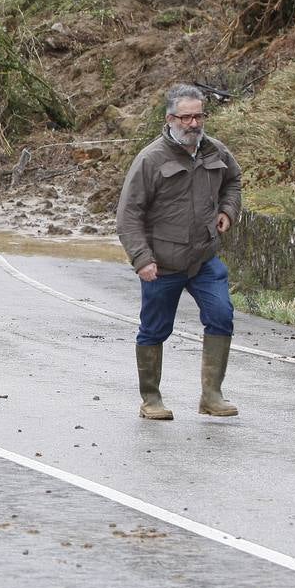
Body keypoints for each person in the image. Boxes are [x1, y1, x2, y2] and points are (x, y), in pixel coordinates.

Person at [116, 83, 243, 421]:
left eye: (199, 116)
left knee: (221, 315)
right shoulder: (150, 159)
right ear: (170, 118)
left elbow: (233, 181)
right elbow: (128, 215)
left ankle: (212, 396)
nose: (193, 123)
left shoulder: (215, 151)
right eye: (186, 117)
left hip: (203, 259)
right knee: (154, 329)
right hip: (161, 263)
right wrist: (142, 259)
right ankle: (151, 399)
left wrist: (227, 211)